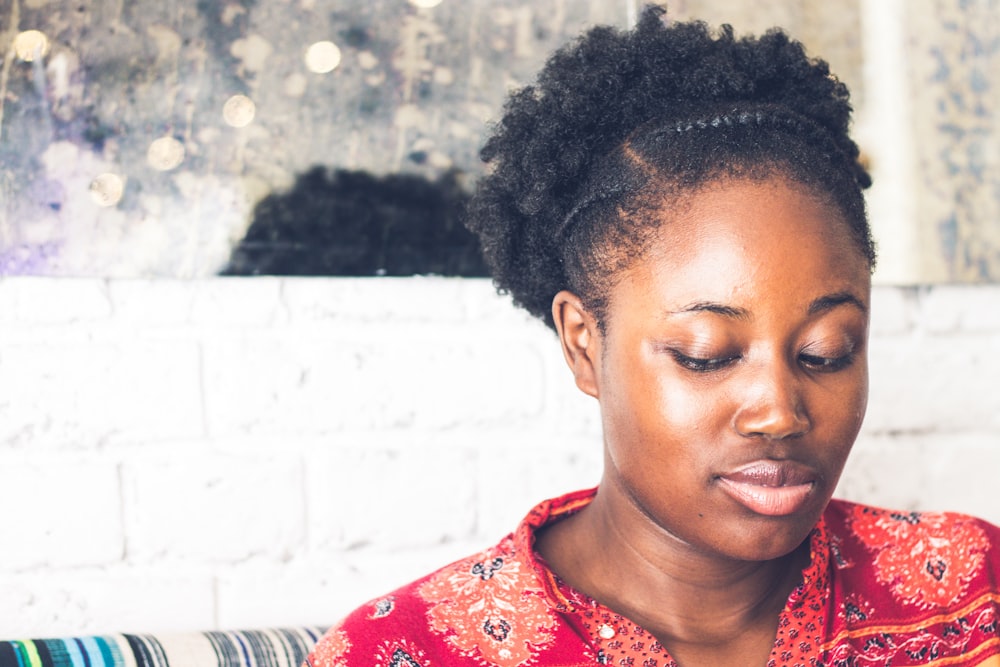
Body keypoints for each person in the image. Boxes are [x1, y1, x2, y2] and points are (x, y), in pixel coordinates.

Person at [305, 6, 1000, 666]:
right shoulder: (404, 651)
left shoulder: (978, 592)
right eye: (707, 355)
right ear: (583, 343)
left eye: (828, 350)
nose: (779, 410)